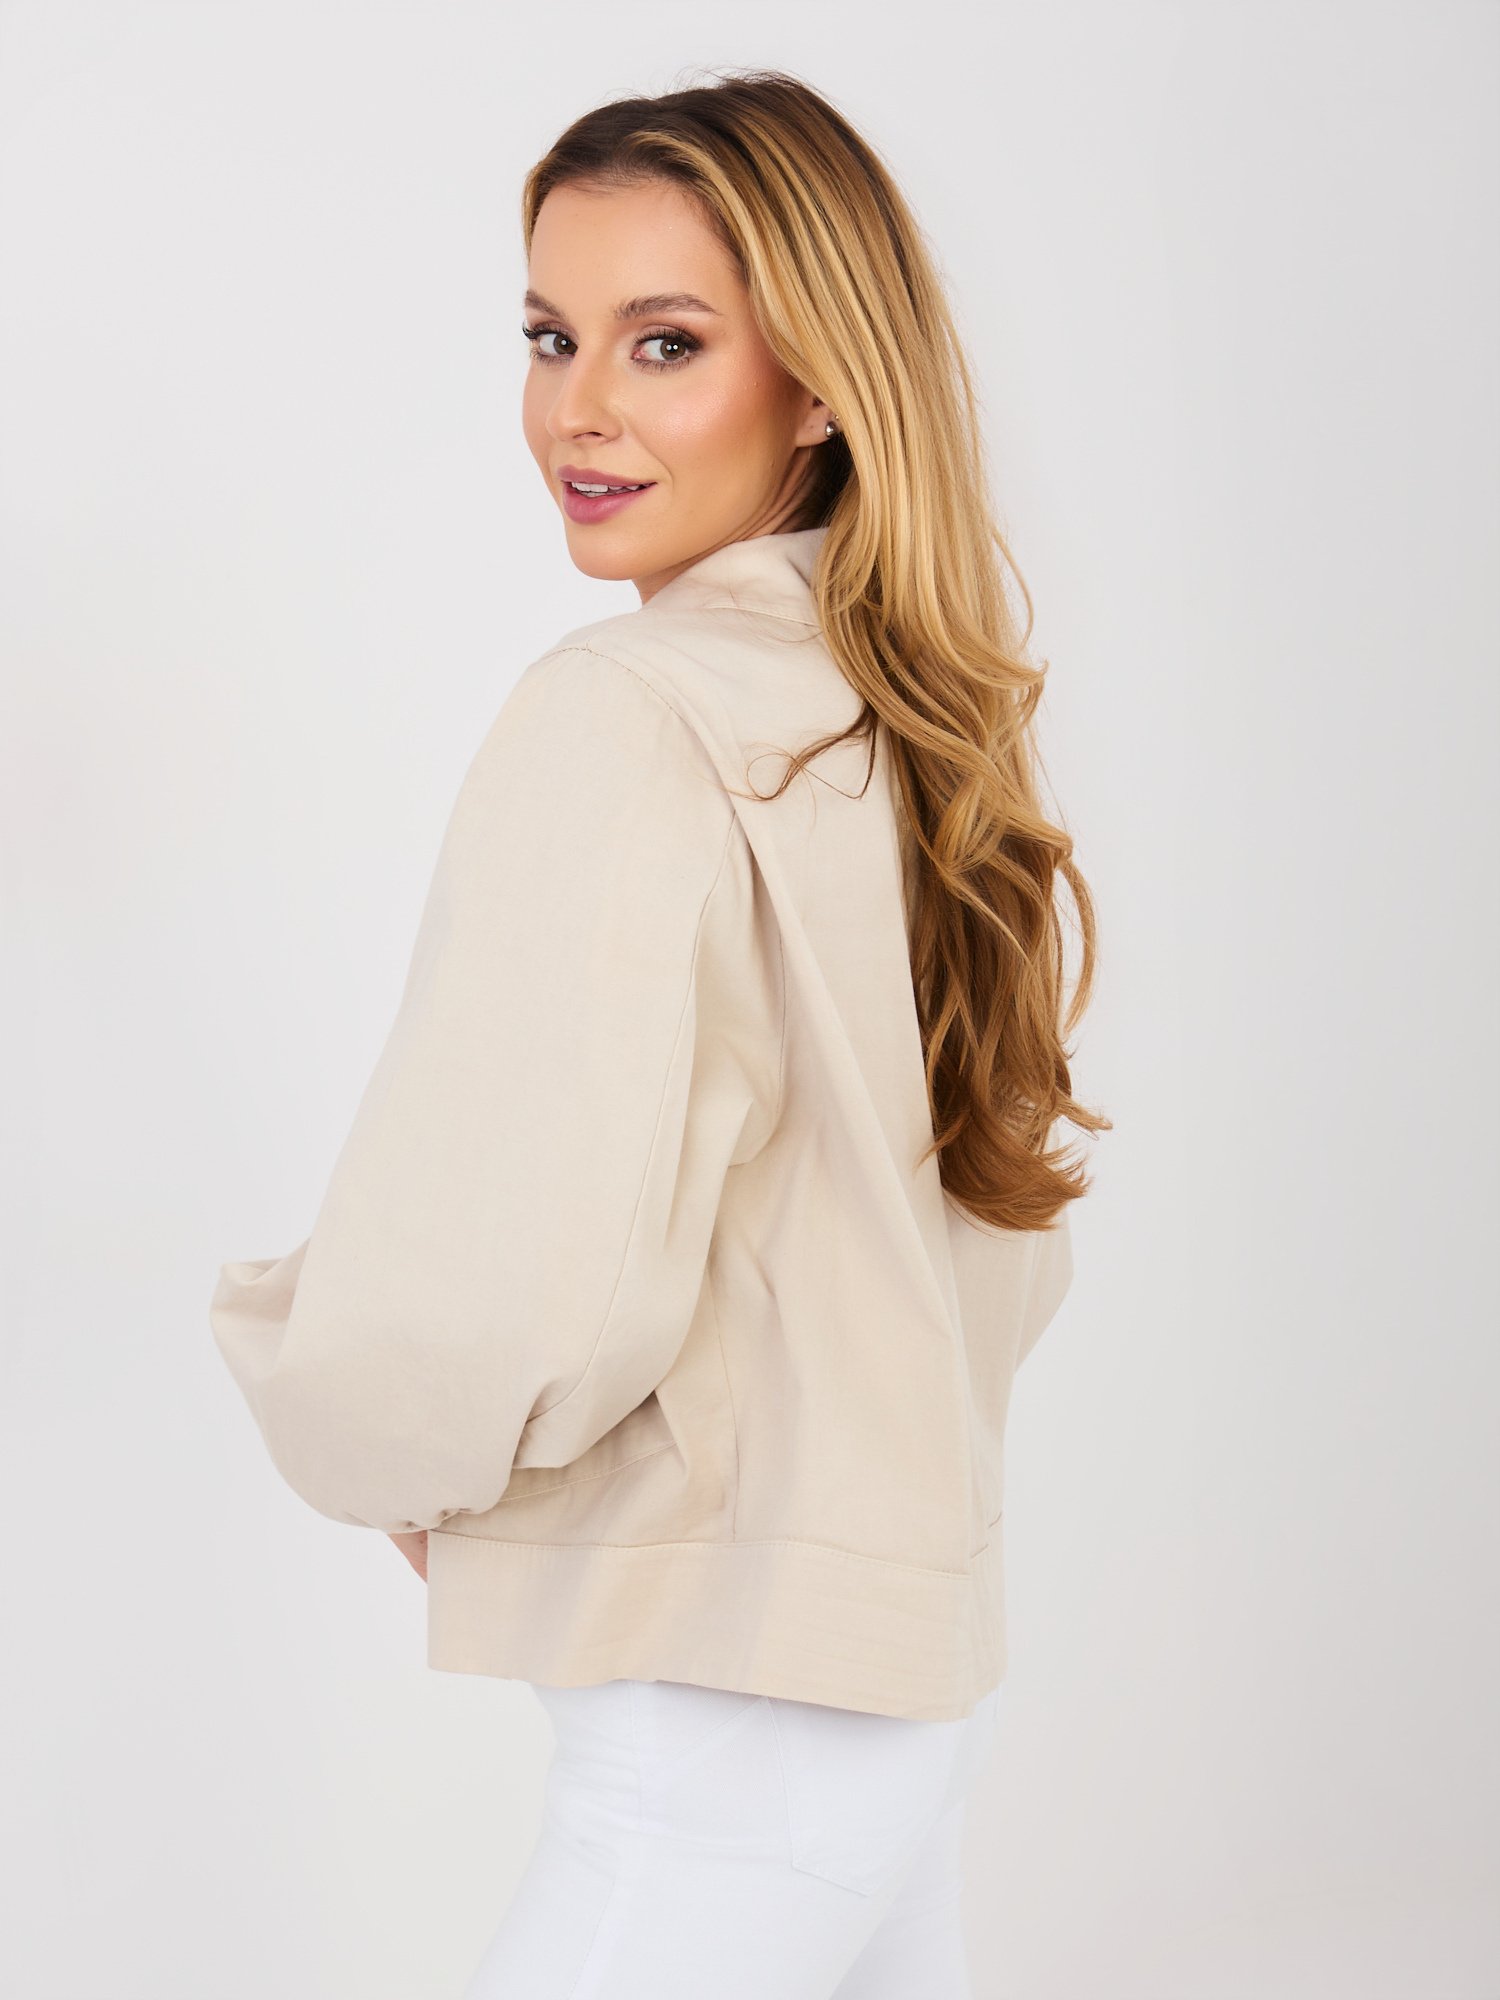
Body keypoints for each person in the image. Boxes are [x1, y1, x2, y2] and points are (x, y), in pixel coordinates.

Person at [209, 67, 1107, 1998]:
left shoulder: (631, 714)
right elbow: (1000, 1240)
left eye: (666, 341)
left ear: (823, 380)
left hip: (716, 1730)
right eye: (552, 336)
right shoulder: (916, 717)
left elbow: (515, 1252)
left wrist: (375, 1428)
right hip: (892, 1705)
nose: (578, 410)